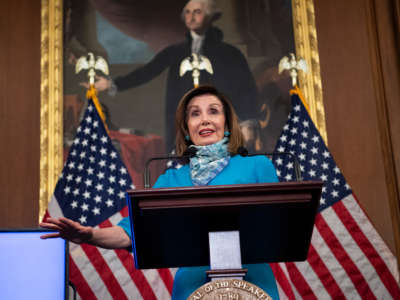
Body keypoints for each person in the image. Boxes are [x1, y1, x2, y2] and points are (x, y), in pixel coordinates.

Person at [41, 85, 280, 300]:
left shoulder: (257, 166)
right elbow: (130, 232)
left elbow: (280, 224)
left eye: (213, 111)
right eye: (195, 114)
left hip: (254, 286)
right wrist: (90, 235)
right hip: (193, 289)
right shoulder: (171, 180)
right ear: (186, 129)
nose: (205, 120)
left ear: (227, 124)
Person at [90, 0, 259, 151]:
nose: (191, 17)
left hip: (221, 126)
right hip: (185, 127)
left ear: (210, 17)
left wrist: (248, 123)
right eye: (188, 12)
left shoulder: (230, 53)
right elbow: (147, 72)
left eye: (197, 12)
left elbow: (246, 88)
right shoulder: (176, 52)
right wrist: (112, 84)